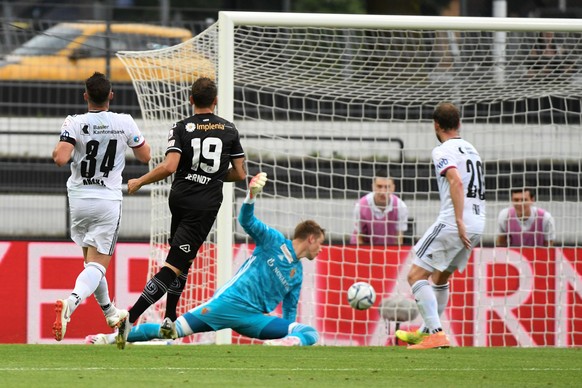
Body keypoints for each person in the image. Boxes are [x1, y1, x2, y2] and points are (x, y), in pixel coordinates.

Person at [90, 173, 323, 347]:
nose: (320, 249)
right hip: (227, 304)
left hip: (254, 319)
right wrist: (251, 196)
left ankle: (287, 345)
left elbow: (290, 312)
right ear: (311, 238)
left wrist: (288, 335)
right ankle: (108, 338)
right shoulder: (274, 241)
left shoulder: (298, 273)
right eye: (320, 243)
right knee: (170, 331)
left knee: (309, 333)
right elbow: (247, 221)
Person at [116, 77, 247, 349]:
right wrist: (214, 175)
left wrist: (142, 180)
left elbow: (171, 166)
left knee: (182, 259)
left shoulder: (180, 127)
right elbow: (240, 173)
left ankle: (169, 318)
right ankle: (132, 316)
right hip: (204, 206)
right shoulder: (229, 130)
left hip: (179, 199)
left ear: (190, 100)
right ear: (215, 101)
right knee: (174, 264)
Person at [51, 71, 151, 341]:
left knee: (91, 264)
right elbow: (146, 156)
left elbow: (60, 158)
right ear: (111, 95)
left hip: (79, 199)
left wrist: (67, 146)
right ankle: (71, 303)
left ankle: (109, 312)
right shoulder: (124, 122)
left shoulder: (74, 122)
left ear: (85, 96)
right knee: (97, 266)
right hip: (107, 200)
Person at [395, 102, 486, 349]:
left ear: (436, 125)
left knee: (415, 275)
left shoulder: (442, 150)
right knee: (441, 277)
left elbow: (455, 180)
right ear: (459, 124)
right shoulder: (472, 149)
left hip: (455, 222)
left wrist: (457, 219)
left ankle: (435, 332)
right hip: (478, 222)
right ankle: (427, 331)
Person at [349, 169, 408, 246]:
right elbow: (359, 237)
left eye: (387, 187)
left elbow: (399, 238)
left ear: (393, 188)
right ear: (373, 186)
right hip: (365, 247)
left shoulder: (401, 207)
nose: (382, 192)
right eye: (379, 186)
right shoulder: (360, 206)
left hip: (389, 248)